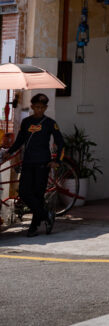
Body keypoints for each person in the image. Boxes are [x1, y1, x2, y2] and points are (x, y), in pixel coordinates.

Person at [0, 93, 64, 237]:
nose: (39, 110)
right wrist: (9, 152)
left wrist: (57, 161)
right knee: (23, 192)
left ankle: (33, 227)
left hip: (43, 163)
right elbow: (19, 140)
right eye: (36, 107)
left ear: (45, 108)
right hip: (28, 162)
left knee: (38, 195)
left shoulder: (50, 123)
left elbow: (61, 143)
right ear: (32, 106)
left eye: (42, 107)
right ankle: (46, 215)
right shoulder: (26, 122)